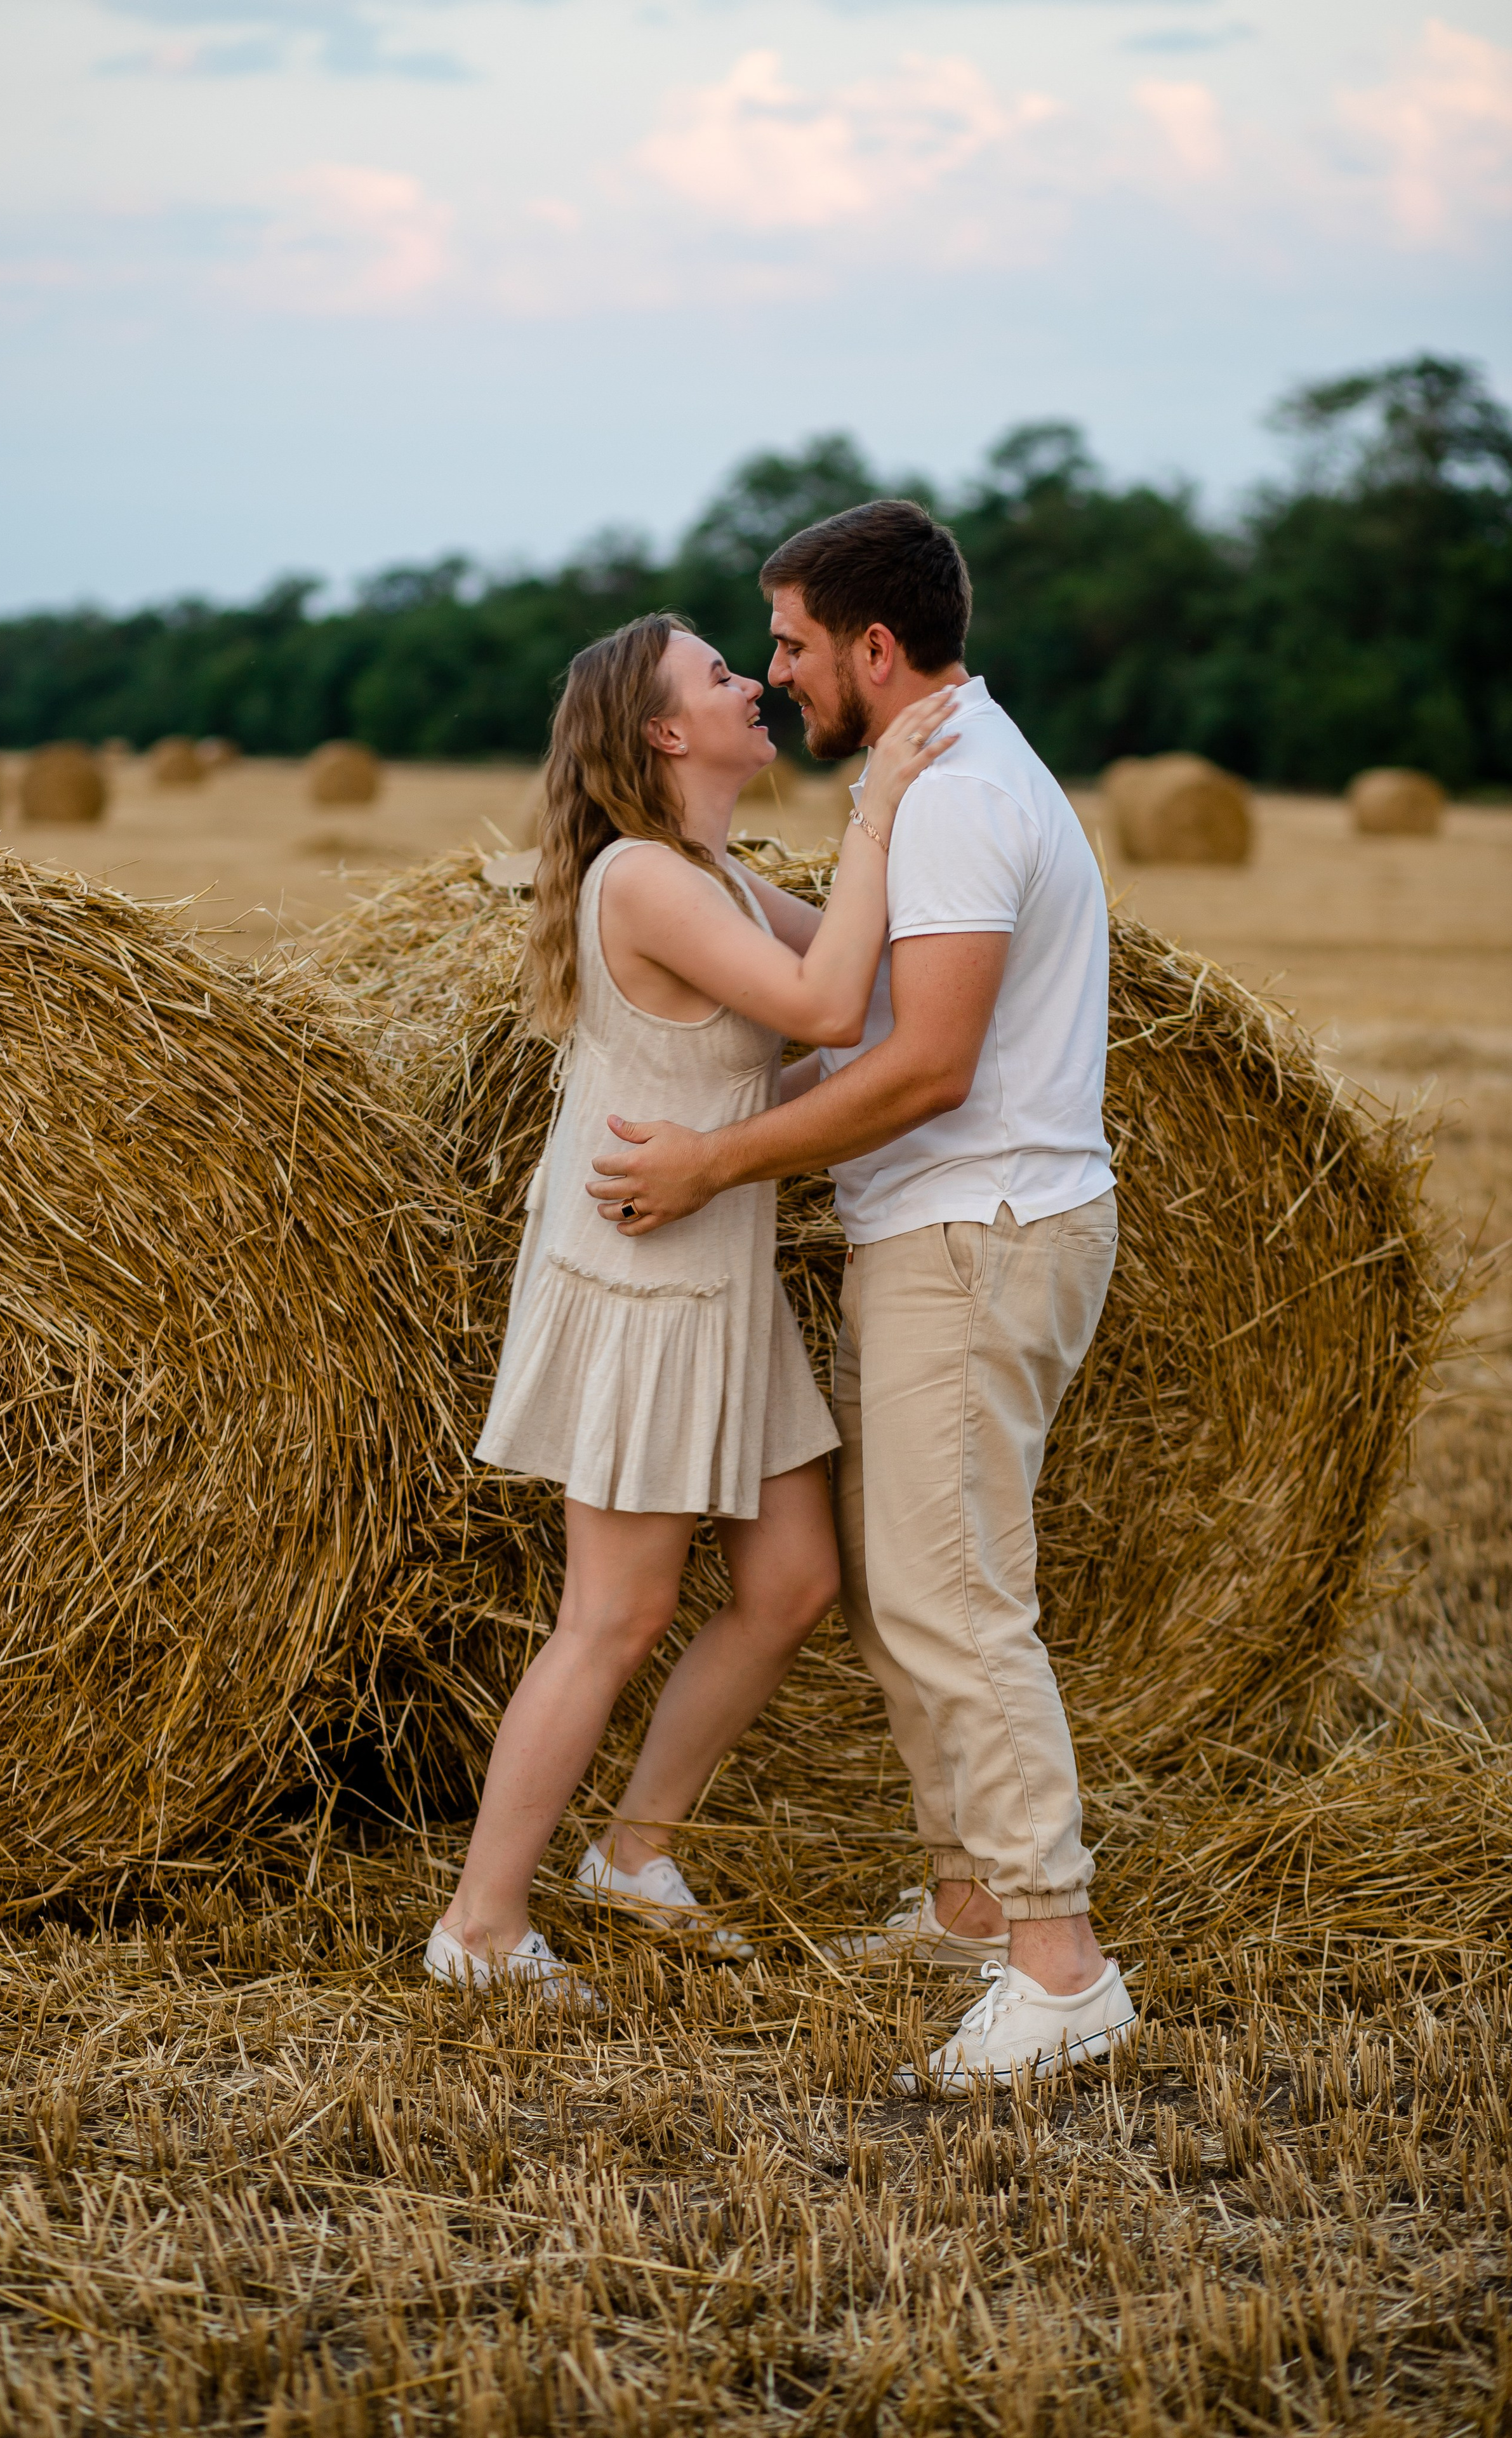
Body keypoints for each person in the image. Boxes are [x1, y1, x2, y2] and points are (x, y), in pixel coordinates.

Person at [585, 502, 1138, 2089]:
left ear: (872, 650)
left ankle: (1056, 1963)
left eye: (791, 646)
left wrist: (715, 1163)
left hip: (974, 1236)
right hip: (956, 1231)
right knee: (915, 1585)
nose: (776, 675)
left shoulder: (958, 800)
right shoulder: (946, 779)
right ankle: (974, 1902)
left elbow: (921, 1062)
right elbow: (862, 991)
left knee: (955, 1601)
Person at [427, 610, 957, 2005]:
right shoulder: (642, 882)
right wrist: (880, 804)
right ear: (662, 731)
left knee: (786, 1584)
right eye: (718, 674)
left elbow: (884, 988)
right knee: (614, 1610)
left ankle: (633, 1857)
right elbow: (834, 1002)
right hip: (641, 1275)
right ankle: (479, 1928)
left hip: (709, 1257)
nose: (749, 685)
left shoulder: (709, 872)